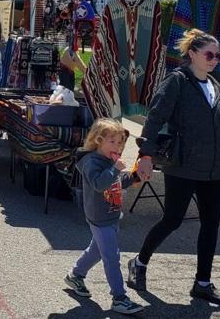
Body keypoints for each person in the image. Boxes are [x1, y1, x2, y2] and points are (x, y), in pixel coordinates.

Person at [129, 28, 220, 307]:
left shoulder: (217, 87)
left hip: (213, 170)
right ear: (192, 54)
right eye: (209, 54)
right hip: (183, 166)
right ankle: (139, 263)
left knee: (211, 225)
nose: (214, 60)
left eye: (218, 55)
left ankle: (202, 283)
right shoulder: (177, 81)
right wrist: (146, 155)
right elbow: (155, 118)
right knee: (172, 220)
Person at [65, 118, 145, 316]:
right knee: (111, 256)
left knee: (96, 251)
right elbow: (100, 183)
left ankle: (75, 275)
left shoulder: (110, 161)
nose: (117, 146)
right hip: (99, 216)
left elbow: (117, 181)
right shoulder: (92, 161)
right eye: (112, 141)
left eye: (120, 142)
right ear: (98, 140)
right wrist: (115, 168)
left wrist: (134, 176)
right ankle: (119, 297)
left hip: (110, 214)